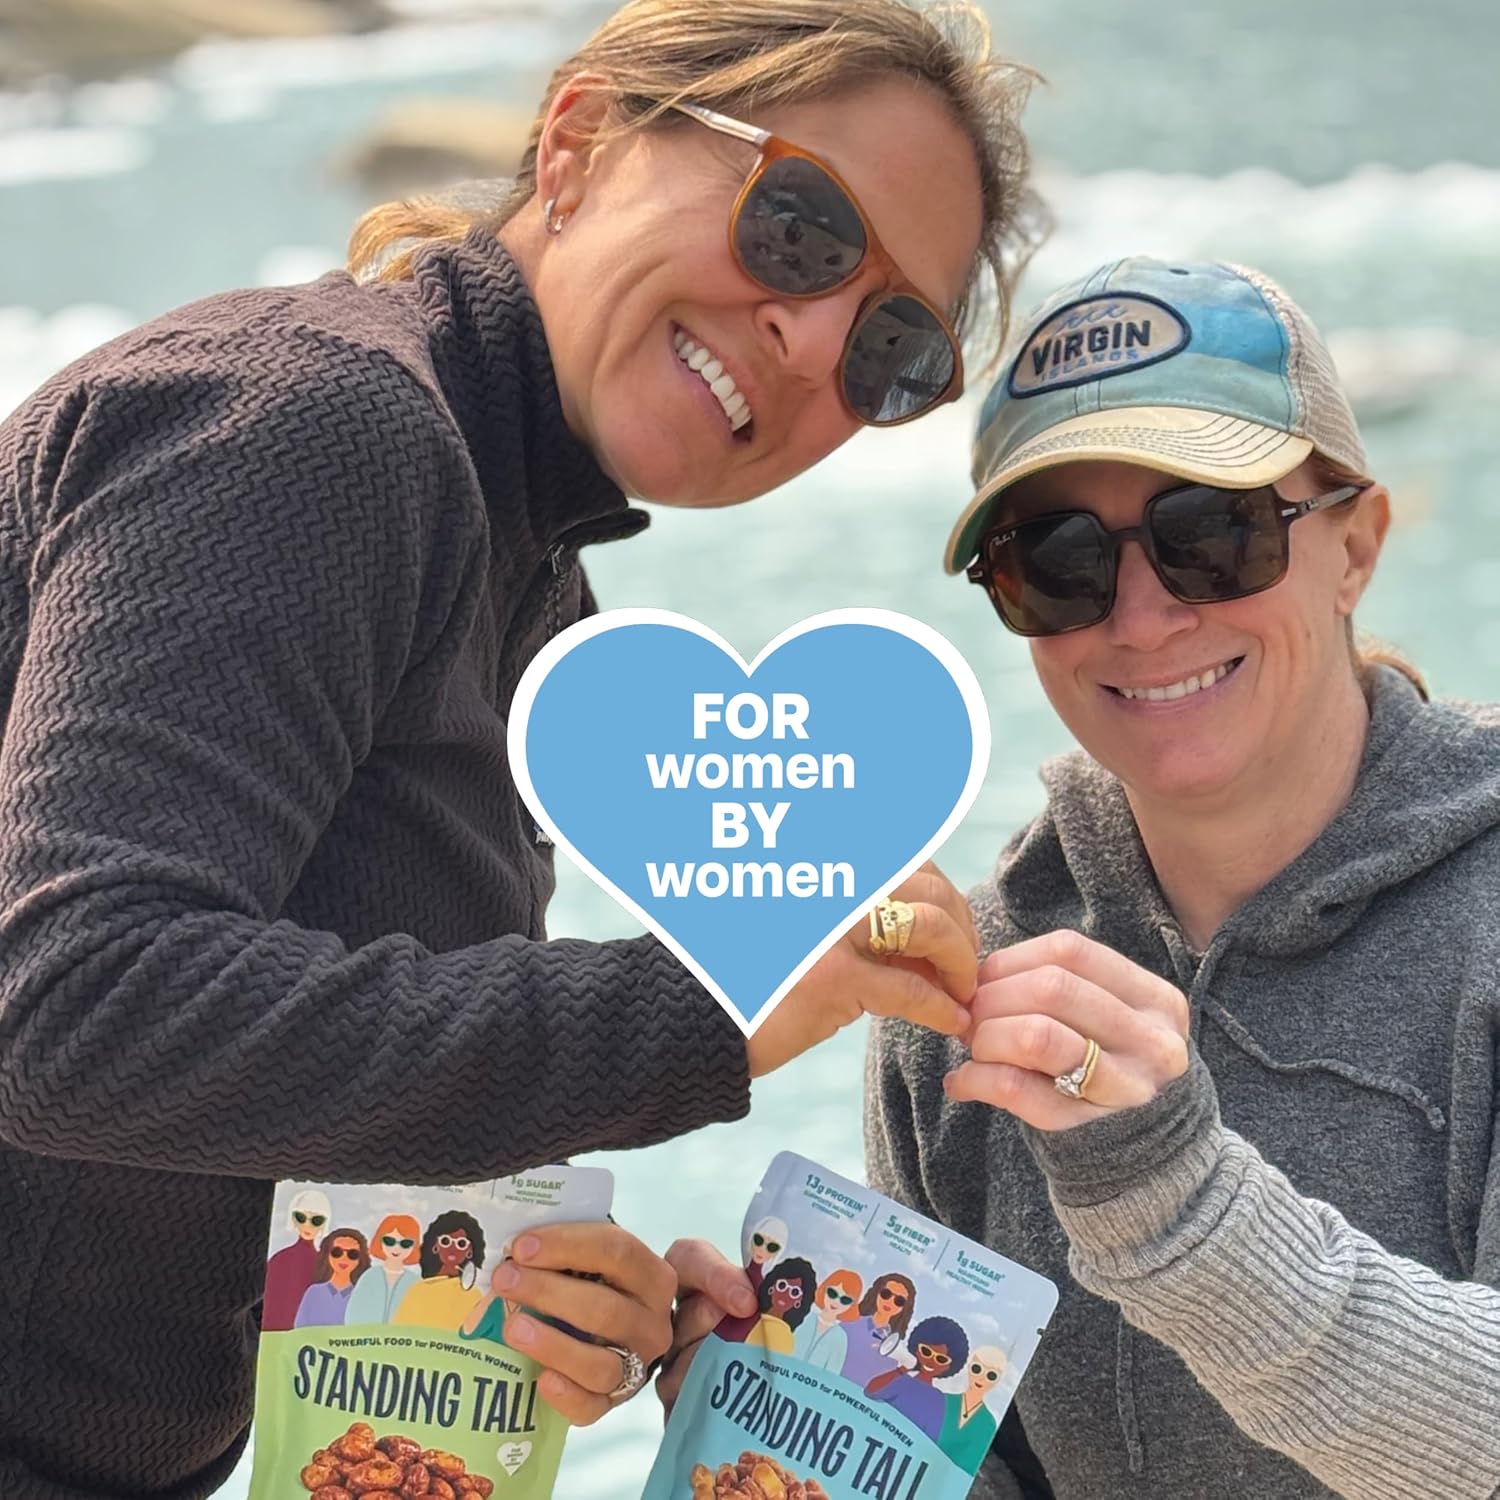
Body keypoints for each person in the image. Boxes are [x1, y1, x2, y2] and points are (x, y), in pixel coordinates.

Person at [0, 0, 1038, 1492]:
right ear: (579, 141)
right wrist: (717, 1000)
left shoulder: (522, 574)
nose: (815, 339)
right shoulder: (318, 422)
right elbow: (72, 1012)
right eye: (801, 228)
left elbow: (251, 1112)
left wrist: (529, 1295)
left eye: (893, 347)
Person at [665, 256, 1500, 1498]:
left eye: (1213, 534)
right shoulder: (973, 979)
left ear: (1356, 546)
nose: (1143, 618)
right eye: (1059, 562)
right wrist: (800, 1432)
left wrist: (1171, 1199)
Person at [260, 1188, 332, 1333]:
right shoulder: (279, 1259)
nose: (307, 1225)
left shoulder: (325, 1264)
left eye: (316, 1220)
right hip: (276, 1333)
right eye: (301, 1217)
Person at [344, 1212, 422, 1324]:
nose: (396, 1248)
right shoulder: (370, 1276)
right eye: (389, 1241)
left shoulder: (414, 1281)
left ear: (414, 1246)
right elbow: (354, 1312)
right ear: (380, 1241)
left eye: (405, 1243)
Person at [293, 1227, 371, 1328]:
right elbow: (299, 1329)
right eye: (337, 1252)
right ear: (327, 1254)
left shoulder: (361, 1297)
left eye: (352, 1254)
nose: (344, 1258)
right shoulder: (314, 1292)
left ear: (360, 1259)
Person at [790, 1268, 862, 1371]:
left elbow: (832, 1372)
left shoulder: (841, 1337)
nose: (836, 1302)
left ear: (852, 1306)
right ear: (824, 1290)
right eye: (832, 1293)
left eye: (845, 1300)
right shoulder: (804, 1317)